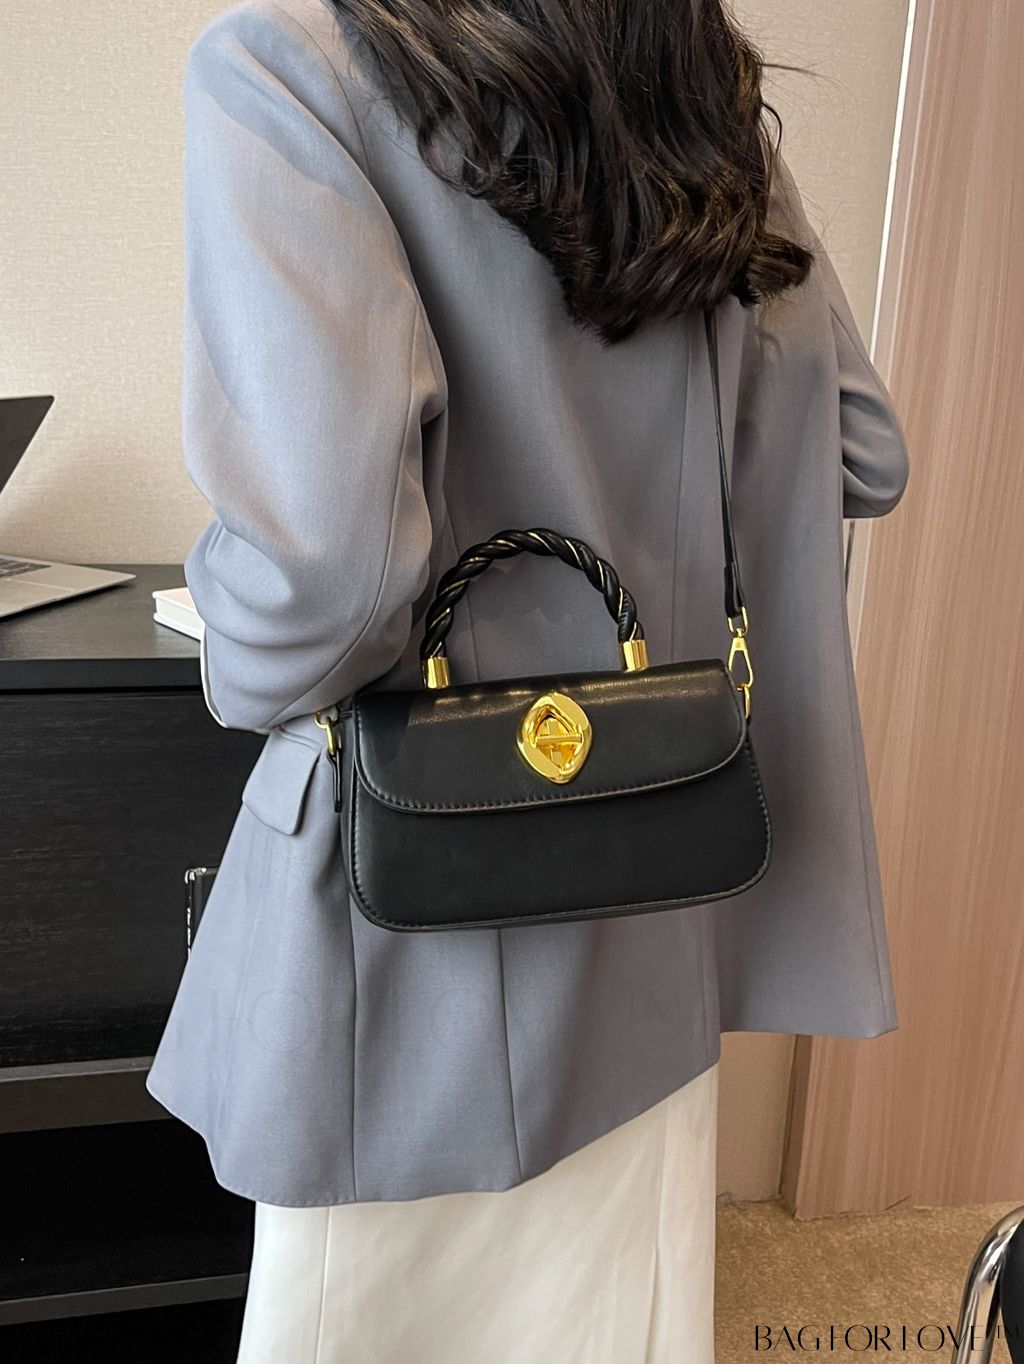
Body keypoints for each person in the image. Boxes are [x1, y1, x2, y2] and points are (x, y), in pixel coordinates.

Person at [145, 0, 911, 1357]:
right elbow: (859, 447)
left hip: (420, 932)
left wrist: (228, 632)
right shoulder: (688, 81)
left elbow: (326, 578)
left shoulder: (288, 66)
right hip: (659, 895)